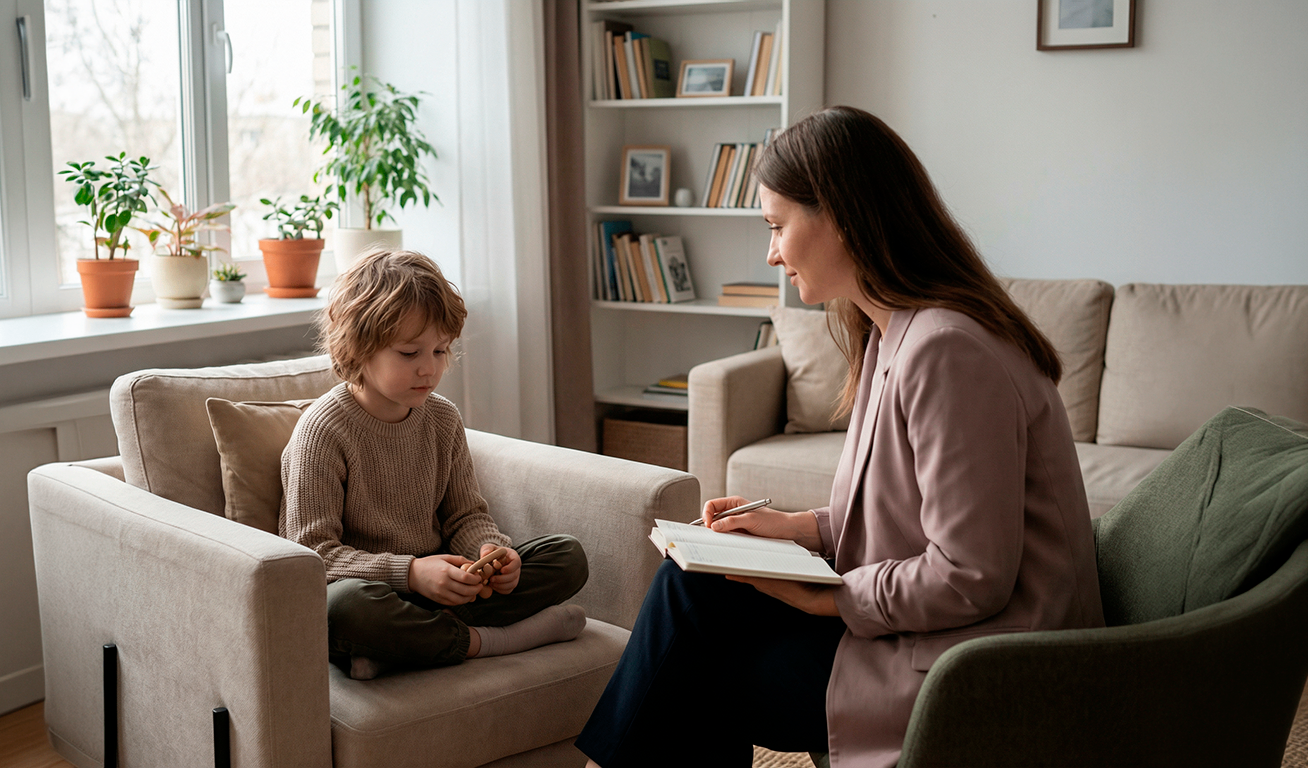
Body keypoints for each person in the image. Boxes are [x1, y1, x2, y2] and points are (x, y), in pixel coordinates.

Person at [576, 107, 1104, 768]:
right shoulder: (894, 331)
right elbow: (909, 513)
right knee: (695, 585)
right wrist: (795, 527)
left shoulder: (947, 350)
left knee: (695, 663)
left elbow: (971, 576)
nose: (772, 253)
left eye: (777, 226)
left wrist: (831, 596)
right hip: (932, 635)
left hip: (979, 664)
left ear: (843, 217)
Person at [279, 249, 588, 680]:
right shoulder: (323, 431)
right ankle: (489, 641)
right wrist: (410, 573)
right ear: (358, 348)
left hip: (445, 588)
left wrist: (490, 553)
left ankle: (401, 648)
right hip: (375, 592)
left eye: (440, 350)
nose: (430, 368)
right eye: (410, 353)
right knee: (345, 609)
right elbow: (314, 556)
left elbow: (465, 516)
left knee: (567, 555)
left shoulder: (442, 418)